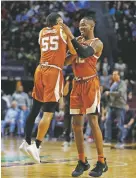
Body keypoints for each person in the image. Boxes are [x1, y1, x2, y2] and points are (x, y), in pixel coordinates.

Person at [19, 12, 76, 163]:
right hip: (53, 72)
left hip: (40, 69)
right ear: (59, 21)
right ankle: (36, 145)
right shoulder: (63, 30)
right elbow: (74, 52)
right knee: (49, 112)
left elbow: (53, 50)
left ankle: (26, 141)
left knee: (35, 108)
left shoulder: (42, 31)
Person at [60, 16, 108, 177]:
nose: (81, 26)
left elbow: (85, 52)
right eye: (79, 24)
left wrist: (71, 38)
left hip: (90, 84)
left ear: (92, 25)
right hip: (77, 84)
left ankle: (101, 161)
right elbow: (67, 62)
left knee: (93, 122)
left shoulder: (97, 42)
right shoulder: (77, 40)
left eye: (84, 24)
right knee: (76, 125)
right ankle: (82, 161)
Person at [104, 70, 127, 145]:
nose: (113, 76)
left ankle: (121, 142)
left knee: (120, 125)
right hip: (112, 106)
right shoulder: (113, 84)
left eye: (115, 74)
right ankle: (107, 140)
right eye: (113, 74)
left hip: (120, 107)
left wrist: (109, 93)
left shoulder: (122, 83)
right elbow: (111, 97)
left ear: (119, 75)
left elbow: (120, 93)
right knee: (107, 122)